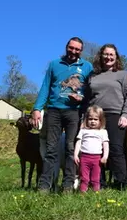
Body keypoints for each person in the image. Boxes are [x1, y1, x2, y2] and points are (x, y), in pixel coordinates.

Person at [31, 37, 93, 193]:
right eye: (71, 48)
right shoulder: (54, 65)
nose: (73, 51)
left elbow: (91, 92)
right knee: (51, 149)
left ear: (81, 51)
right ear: (66, 47)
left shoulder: (87, 67)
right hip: (54, 111)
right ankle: (45, 186)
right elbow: (45, 87)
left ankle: (67, 186)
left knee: (70, 149)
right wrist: (37, 108)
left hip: (74, 112)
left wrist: (82, 98)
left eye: (77, 49)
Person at [84, 44, 127, 189]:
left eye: (111, 54)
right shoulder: (93, 76)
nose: (108, 57)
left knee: (115, 148)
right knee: (95, 150)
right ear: (101, 56)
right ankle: (98, 183)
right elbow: (88, 98)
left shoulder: (122, 75)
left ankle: (121, 182)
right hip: (96, 115)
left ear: (116, 57)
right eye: (105, 54)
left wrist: (125, 114)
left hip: (115, 114)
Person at [73, 105, 109, 192]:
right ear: (86, 120)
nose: (93, 121)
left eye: (96, 119)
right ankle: (82, 193)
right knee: (84, 178)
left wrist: (105, 156)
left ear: (101, 120)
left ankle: (95, 193)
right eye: (90, 119)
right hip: (84, 157)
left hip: (97, 158)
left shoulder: (103, 132)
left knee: (95, 178)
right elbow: (78, 143)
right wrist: (75, 155)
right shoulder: (83, 131)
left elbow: (106, 145)